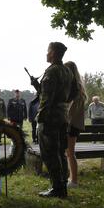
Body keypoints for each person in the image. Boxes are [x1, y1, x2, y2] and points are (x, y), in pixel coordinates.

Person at [34, 42, 76, 199]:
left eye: (48, 51)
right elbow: (74, 92)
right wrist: (62, 103)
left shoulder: (52, 71)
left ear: (53, 53)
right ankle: (62, 185)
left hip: (50, 118)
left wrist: (41, 119)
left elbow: (46, 99)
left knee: (50, 153)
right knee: (60, 152)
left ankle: (57, 188)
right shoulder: (67, 71)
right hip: (62, 116)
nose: (46, 53)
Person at [64, 61, 87, 189]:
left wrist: (66, 124)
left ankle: (74, 181)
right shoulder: (79, 87)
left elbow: (71, 111)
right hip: (74, 124)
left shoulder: (74, 88)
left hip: (71, 125)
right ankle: (71, 178)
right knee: (69, 152)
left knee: (70, 153)